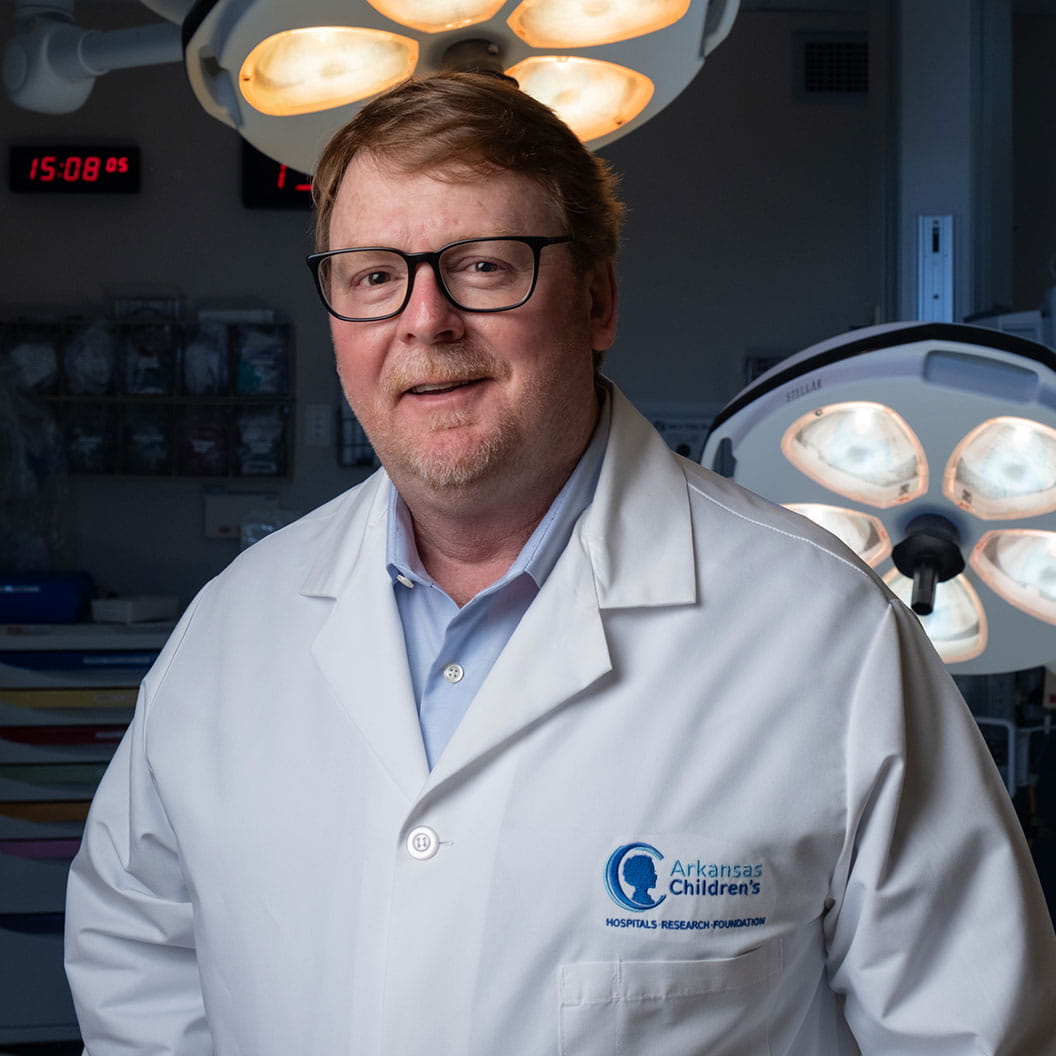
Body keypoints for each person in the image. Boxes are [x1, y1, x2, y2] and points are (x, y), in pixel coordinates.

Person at [65, 72, 1056, 1055]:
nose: (425, 320)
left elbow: (968, 1032)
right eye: (373, 275)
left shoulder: (827, 637)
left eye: (486, 266)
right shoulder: (231, 634)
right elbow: (139, 963)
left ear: (597, 300)